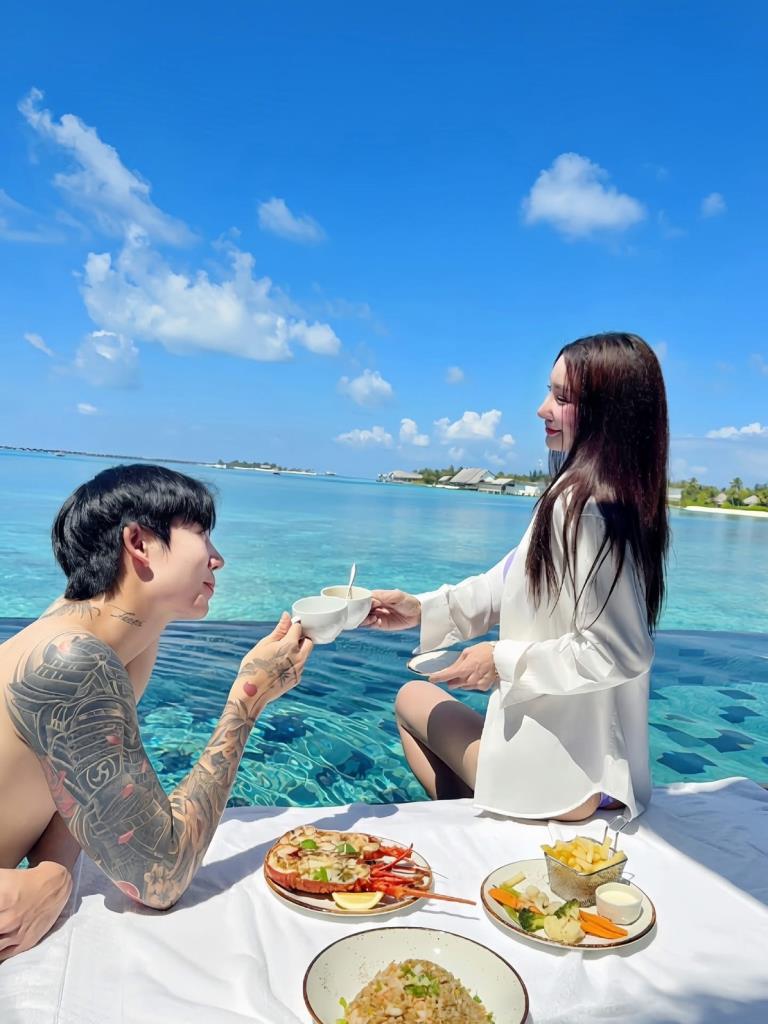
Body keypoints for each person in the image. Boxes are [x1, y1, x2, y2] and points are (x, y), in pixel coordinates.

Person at [0, 464, 312, 958]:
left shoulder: (116, 641)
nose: (218, 559)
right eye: (202, 534)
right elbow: (159, 878)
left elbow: (78, 786)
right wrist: (247, 700)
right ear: (139, 543)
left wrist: (54, 874)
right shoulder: (71, 660)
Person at [365, 332, 669, 822]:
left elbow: (622, 650)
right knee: (426, 705)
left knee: (410, 698)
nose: (542, 408)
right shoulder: (608, 498)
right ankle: (488, 819)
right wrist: (420, 610)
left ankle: (483, 827)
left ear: (607, 413)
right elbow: (509, 583)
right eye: (550, 392)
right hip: (599, 774)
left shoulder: (584, 508)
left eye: (563, 398)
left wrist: (500, 660)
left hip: (562, 781)